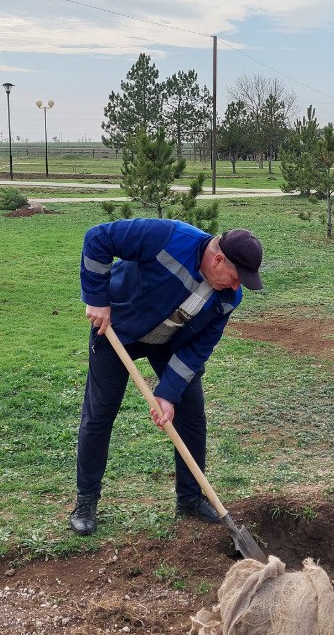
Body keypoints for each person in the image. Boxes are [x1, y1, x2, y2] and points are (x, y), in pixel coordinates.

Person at [69, 220, 264, 536]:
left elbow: (197, 349)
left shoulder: (229, 298)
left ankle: (189, 499)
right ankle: (86, 501)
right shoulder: (168, 238)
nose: (235, 286)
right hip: (117, 329)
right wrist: (97, 298)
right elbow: (98, 238)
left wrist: (168, 393)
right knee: (99, 415)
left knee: (192, 416)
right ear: (218, 260)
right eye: (234, 278)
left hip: (170, 342)